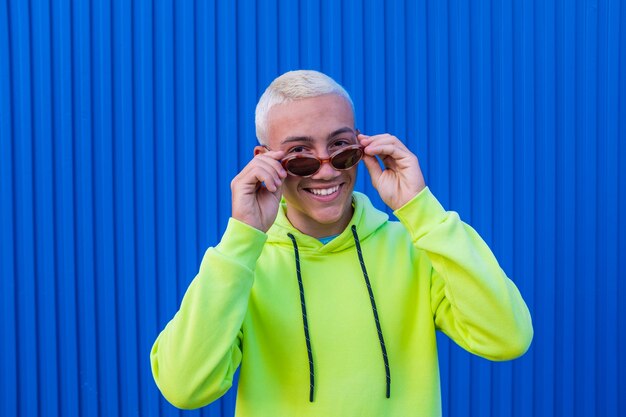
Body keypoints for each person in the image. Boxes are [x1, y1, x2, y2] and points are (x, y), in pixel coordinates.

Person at [150, 70, 533, 417]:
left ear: (363, 147)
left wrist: (422, 210)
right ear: (265, 161)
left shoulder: (415, 247)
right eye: (300, 154)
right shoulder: (243, 266)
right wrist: (241, 239)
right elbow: (185, 388)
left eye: (341, 148)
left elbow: (506, 337)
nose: (327, 169)